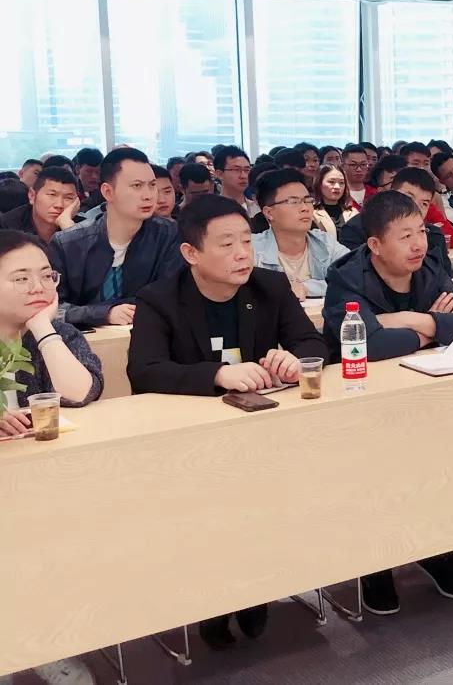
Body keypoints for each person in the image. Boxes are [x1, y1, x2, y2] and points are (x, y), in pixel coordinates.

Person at [127, 194, 326, 649]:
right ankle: (214, 602)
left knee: (268, 504)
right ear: (191, 253)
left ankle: (255, 593)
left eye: (246, 242)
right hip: (192, 445)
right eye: (226, 244)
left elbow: (315, 343)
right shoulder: (159, 299)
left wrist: (295, 360)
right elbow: (144, 371)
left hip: (262, 437)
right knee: (210, 519)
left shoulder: (269, 286)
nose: (242, 254)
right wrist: (216, 374)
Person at [321, 190, 453, 615]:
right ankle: (376, 564)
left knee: (438, 470)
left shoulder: (428, 267)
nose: (418, 244)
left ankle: (437, 551)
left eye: (421, 232)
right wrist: (433, 328)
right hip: (361, 402)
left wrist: (411, 320)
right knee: (379, 477)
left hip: (427, 394)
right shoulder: (347, 278)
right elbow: (365, 346)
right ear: (374, 244)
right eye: (404, 236)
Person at [0, 231, 104, 685]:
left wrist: (42, 329)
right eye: (20, 278)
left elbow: (81, 392)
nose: (38, 287)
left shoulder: (59, 334)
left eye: (46, 276)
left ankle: (45, 645)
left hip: (49, 485)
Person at [48, 148, 184, 327]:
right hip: (82, 338)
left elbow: (170, 297)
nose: (149, 195)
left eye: (152, 185)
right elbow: (51, 308)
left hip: (147, 334)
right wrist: (104, 313)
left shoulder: (169, 235)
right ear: (108, 192)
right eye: (137, 186)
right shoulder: (68, 243)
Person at [251, 169, 348, 299]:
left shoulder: (325, 243)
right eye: (294, 202)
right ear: (269, 213)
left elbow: (354, 278)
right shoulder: (251, 249)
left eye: (307, 200)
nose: (305, 208)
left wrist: (306, 288)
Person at [339, 167, 453, 275]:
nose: (414, 207)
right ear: (391, 193)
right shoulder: (355, 230)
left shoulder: (434, 235)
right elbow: (356, 277)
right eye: (409, 198)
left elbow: (446, 280)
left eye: (424, 203)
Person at [1, 166, 80, 243]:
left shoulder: (81, 226)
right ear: (32, 195)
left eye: (68, 198)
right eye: (52, 195)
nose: (59, 205)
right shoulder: (6, 226)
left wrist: (68, 228)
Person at [312, 165, 356, 241]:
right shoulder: (311, 213)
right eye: (331, 182)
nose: (337, 187)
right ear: (319, 183)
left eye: (341, 183)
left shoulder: (353, 212)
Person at [214, 145, 260, 217]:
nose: (243, 176)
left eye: (247, 170)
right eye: (237, 170)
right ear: (219, 174)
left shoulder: (259, 210)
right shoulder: (210, 211)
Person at [341, 143, 371, 211]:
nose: (359, 169)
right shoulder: (339, 194)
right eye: (353, 165)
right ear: (343, 166)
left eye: (363, 164)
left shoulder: (375, 193)